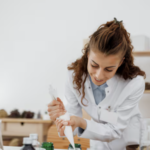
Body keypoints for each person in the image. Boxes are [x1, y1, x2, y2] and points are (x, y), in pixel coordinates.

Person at [48, 18, 146, 150]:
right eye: (94, 65)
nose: (99, 75)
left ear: (121, 62)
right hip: (98, 140)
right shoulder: (73, 76)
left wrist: (81, 122)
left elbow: (115, 128)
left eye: (109, 69)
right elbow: (74, 125)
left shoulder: (134, 83)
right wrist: (63, 118)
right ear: (88, 54)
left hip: (126, 139)